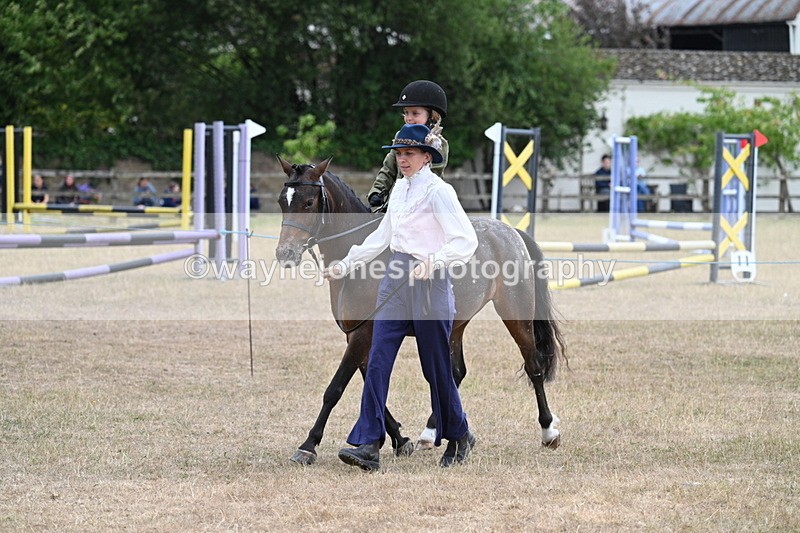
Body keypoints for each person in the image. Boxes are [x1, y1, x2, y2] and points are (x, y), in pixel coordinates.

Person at [324, 123, 478, 471]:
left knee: (436, 366)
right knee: (377, 358)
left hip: (430, 283)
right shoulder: (399, 190)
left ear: (427, 157)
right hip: (394, 279)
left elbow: (465, 241)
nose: (402, 159)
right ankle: (369, 444)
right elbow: (382, 237)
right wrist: (345, 264)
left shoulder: (440, 193)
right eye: (398, 153)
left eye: (409, 153)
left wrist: (435, 261)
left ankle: (460, 434)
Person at [367, 80, 449, 210]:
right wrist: (378, 191)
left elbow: (431, 175)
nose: (408, 118)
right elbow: (389, 168)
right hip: (398, 201)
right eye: (406, 112)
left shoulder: (437, 142)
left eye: (415, 113)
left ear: (432, 116)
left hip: (424, 205)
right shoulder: (400, 137)